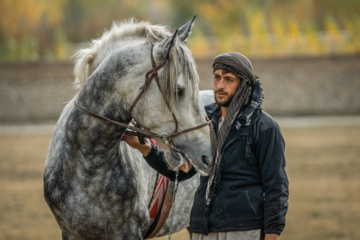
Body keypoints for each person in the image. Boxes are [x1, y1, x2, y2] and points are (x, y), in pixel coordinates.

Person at [123, 52, 289, 240]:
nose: (220, 86)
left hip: (245, 229)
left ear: (244, 84)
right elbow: (182, 172)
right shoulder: (205, 122)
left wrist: (271, 234)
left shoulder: (264, 127)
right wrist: (144, 149)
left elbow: (277, 187)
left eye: (228, 80)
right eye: (217, 78)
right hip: (203, 228)